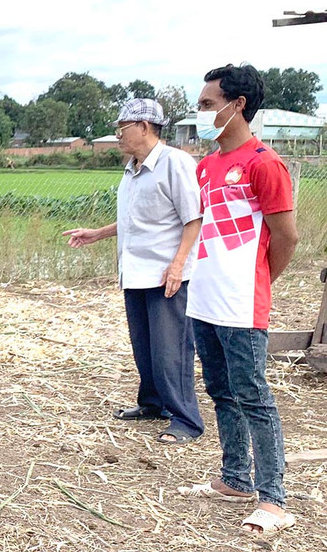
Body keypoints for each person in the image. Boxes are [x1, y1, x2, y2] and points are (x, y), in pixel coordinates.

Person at [177, 64, 298, 535]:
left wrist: (259, 283)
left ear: (238, 105)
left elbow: (285, 237)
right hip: (204, 298)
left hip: (241, 303)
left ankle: (274, 499)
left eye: (208, 104)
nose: (203, 111)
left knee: (254, 396)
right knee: (220, 390)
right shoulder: (207, 166)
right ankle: (234, 479)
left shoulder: (264, 163)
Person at [63, 98, 204, 445]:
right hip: (136, 272)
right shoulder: (132, 168)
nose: (118, 135)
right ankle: (153, 404)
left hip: (165, 275)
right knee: (145, 347)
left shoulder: (175, 164)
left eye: (122, 128)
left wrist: (177, 265)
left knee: (171, 348)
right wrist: (97, 233)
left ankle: (185, 419)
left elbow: (193, 218)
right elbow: (134, 220)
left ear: (144, 127)